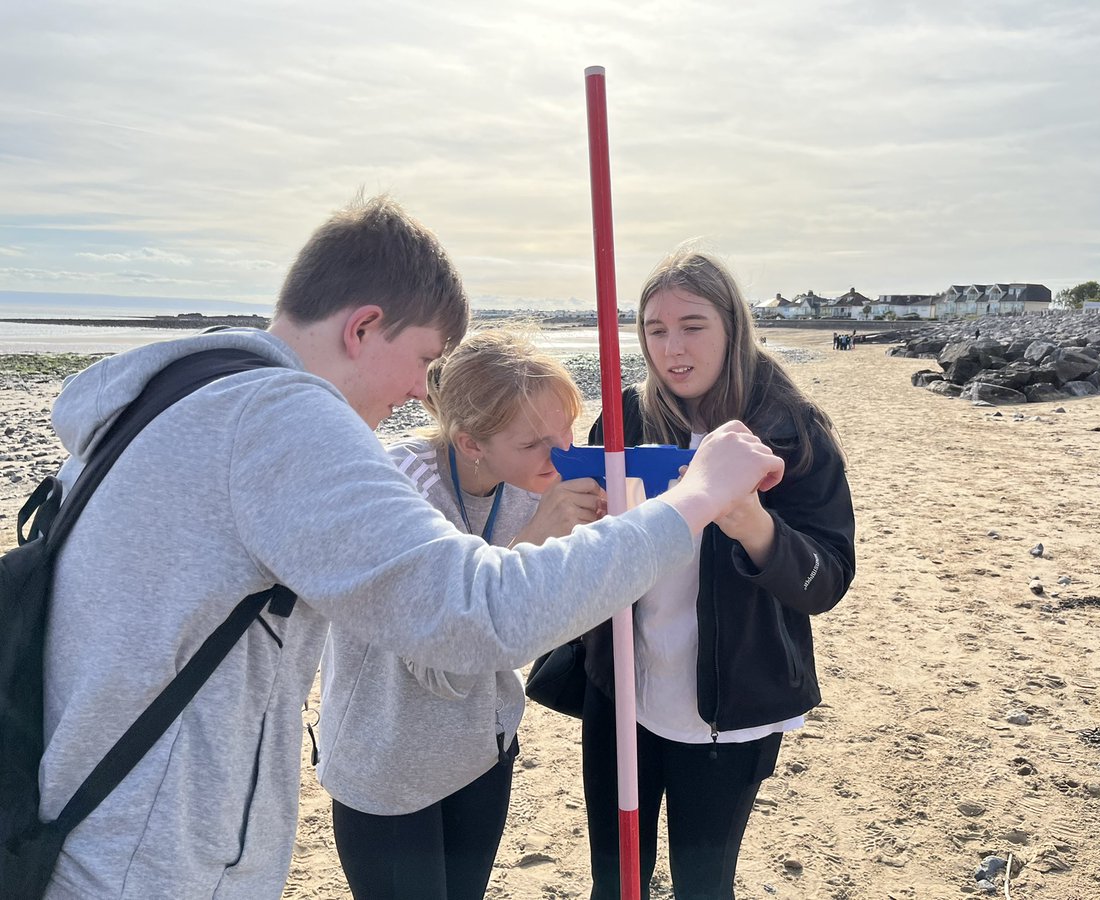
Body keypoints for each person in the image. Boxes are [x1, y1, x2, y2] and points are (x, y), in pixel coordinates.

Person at [37, 196, 784, 899]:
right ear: (363, 327)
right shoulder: (279, 417)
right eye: (427, 360)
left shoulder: (180, 396)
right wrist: (696, 499)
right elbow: (474, 613)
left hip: (92, 833)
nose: (425, 392)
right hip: (152, 862)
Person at [581, 248, 855, 899]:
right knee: (614, 883)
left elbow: (827, 580)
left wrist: (754, 526)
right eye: (655, 329)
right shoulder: (625, 420)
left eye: (692, 326)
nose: (672, 348)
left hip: (729, 711)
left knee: (703, 886)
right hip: (620, 690)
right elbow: (587, 553)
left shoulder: (791, 433)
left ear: (731, 326)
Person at [318, 328, 603, 900]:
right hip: (388, 762)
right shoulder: (400, 492)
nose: (563, 454)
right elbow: (443, 662)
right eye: (534, 442)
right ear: (471, 442)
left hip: (483, 748)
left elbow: (555, 621)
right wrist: (532, 547)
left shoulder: (532, 478)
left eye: (565, 430)